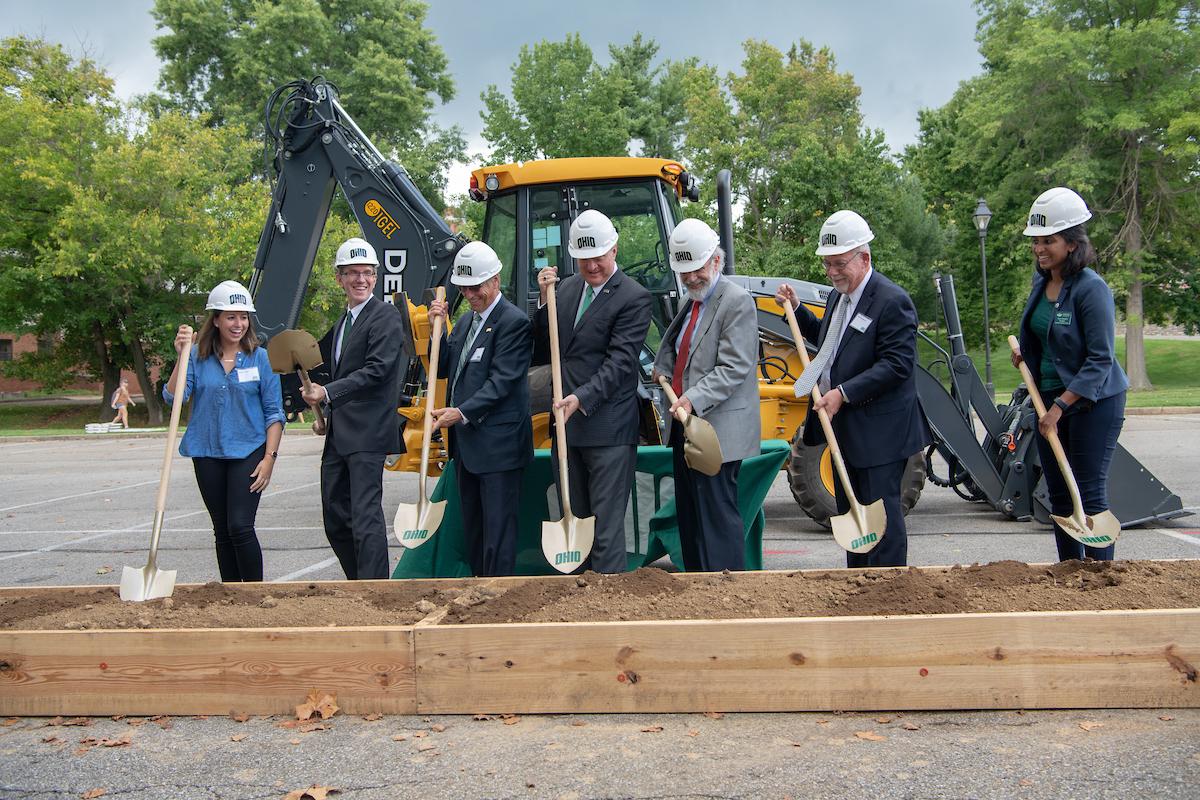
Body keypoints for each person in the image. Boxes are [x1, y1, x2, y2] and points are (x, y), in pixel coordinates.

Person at [776, 210, 931, 569]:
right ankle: (859, 585)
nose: (832, 272)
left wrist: (843, 393)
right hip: (843, 431)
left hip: (881, 432)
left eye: (839, 264)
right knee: (852, 514)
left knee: (882, 517)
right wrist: (797, 311)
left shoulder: (892, 301)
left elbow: (897, 365)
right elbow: (830, 343)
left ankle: (889, 590)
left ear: (864, 258)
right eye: (828, 265)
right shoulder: (838, 298)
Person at [532, 210, 652, 574]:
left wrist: (581, 398)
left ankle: (609, 605)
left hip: (607, 430)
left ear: (614, 249)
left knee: (605, 528)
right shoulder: (565, 289)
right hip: (565, 427)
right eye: (584, 259)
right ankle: (580, 601)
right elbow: (544, 345)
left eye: (599, 257)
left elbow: (619, 365)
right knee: (577, 522)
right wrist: (543, 300)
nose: (593, 266)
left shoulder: (634, 297)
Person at [1013, 187, 1128, 562]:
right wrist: (1025, 357)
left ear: (1073, 243)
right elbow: (1044, 338)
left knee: (1088, 493)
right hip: (1048, 398)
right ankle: (1070, 572)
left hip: (1093, 402)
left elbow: (1100, 359)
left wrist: (1060, 406)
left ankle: (1100, 577)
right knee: (1059, 495)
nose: (1040, 248)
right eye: (1037, 241)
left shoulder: (1091, 289)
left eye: (1050, 240)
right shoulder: (1041, 283)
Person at [652, 218, 760, 572]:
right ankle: (699, 587)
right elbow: (678, 343)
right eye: (684, 273)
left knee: (715, 517)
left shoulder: (736, 301)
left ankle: (726, 590)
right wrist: (663, 365)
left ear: (716, 260)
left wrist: (693, 398)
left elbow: (735, 367)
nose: (690, 278)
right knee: (692, 516)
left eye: (696, 270)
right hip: (687, 425)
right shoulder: (693, 300)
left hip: (717, 431)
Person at [164, 280, 284, 582]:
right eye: (231, 317)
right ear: (215, 319)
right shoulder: (196, 357)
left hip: (249, 450)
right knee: (221, 529)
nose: (238, 323)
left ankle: (254, 596)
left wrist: (269, 458)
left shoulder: (261, 358)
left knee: (240, 526)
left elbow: (274, 413)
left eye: (243, 317)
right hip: (207, 452)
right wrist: (181, 354)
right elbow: (173, 396)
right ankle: (230, 594)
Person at [301, 237, 406, 580]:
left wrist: (327, 393)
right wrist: (319, 403)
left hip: (369, 432)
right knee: (334, 515)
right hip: (340, 433)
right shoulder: (344, 323)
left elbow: (377, 370)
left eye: (366, 273)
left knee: (365, 516)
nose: (361, 279)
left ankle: (375, 589)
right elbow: (326, 368)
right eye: (352, 274)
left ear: (375, 277)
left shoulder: (386, 317)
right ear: (339, 278)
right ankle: (357, 582)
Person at [428, 241, 533, 577]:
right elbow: (443, 367)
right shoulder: (464, 323)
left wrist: (460, 413)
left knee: (498, 532)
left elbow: (501, 383)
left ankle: (497, 595)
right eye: (465, 289)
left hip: (499, 447)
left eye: (476, 288)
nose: (471, 295)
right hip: (468, 446)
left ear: (495, 281)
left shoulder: (513, 322)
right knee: (474, 528)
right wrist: (435, 331)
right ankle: (477, 587)